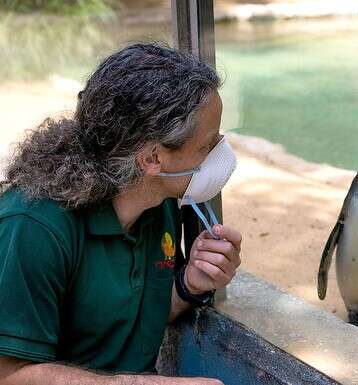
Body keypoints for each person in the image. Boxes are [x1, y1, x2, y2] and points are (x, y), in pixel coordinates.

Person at [0, 43, 241, 385]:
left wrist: (190, 284)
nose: (221, 154)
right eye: (207, 146)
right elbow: (9, 374)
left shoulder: (160, 203)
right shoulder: (33, 227)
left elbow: (135, 320)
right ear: (152, 159)